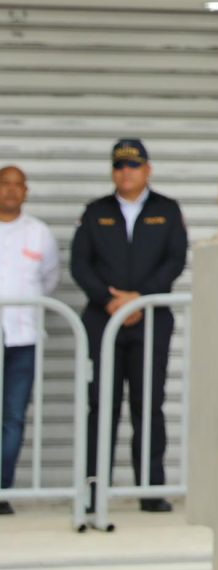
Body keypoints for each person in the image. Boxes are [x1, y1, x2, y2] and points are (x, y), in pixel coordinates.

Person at [69, 139, 187, 514]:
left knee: (148, 403)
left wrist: (140, 297)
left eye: (133, 166)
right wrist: (110, 301)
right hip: (102, 320)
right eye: (119, 166)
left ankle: (150, 488)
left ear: (147, 170)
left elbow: (175, 259)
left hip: (151, 319)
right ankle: (92, 486)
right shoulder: (96, 212)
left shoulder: (166, 210)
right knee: (99, 405)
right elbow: (80, 264)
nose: (126, 173)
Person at [0, 163, 63, 514]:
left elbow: (49, 278)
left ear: (26, 191)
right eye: (4, 184)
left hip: (22, 338)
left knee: (13, 415)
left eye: (17, 185)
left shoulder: (38, 233)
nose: (10, 190)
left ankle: (2, 489)